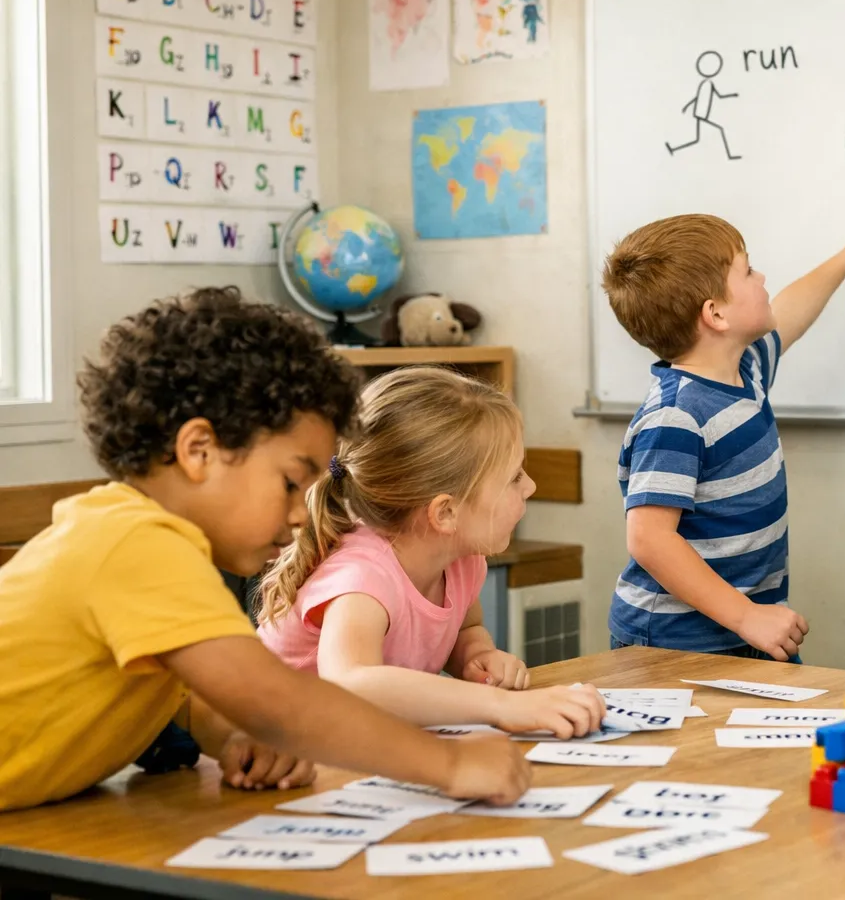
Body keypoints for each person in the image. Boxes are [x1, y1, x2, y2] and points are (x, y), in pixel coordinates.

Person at [0, 288, 530, 811]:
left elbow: (177, 691)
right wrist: (450, 764)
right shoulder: (135, 547)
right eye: (290, 483)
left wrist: (230, 737)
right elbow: (277, 702)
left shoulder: (146, 542)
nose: (301, 513)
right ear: (199, 451)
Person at [601, 208, 845, 659]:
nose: (762, 277)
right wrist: (745, 616)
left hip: (744, 626)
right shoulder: (675, 416)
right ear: (716, 314)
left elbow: (791, 311)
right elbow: (649, 539)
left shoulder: (745, 371)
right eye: (748, 270)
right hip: (672, 640)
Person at [259, 366, 605, 735]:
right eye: (514, 477)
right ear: (446, 513)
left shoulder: (462, 559)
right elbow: (350, 684)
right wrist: (500, 705)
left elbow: (465, 627)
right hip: (274, 747)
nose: (531, 486)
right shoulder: (362, 579)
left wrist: (476, 654)